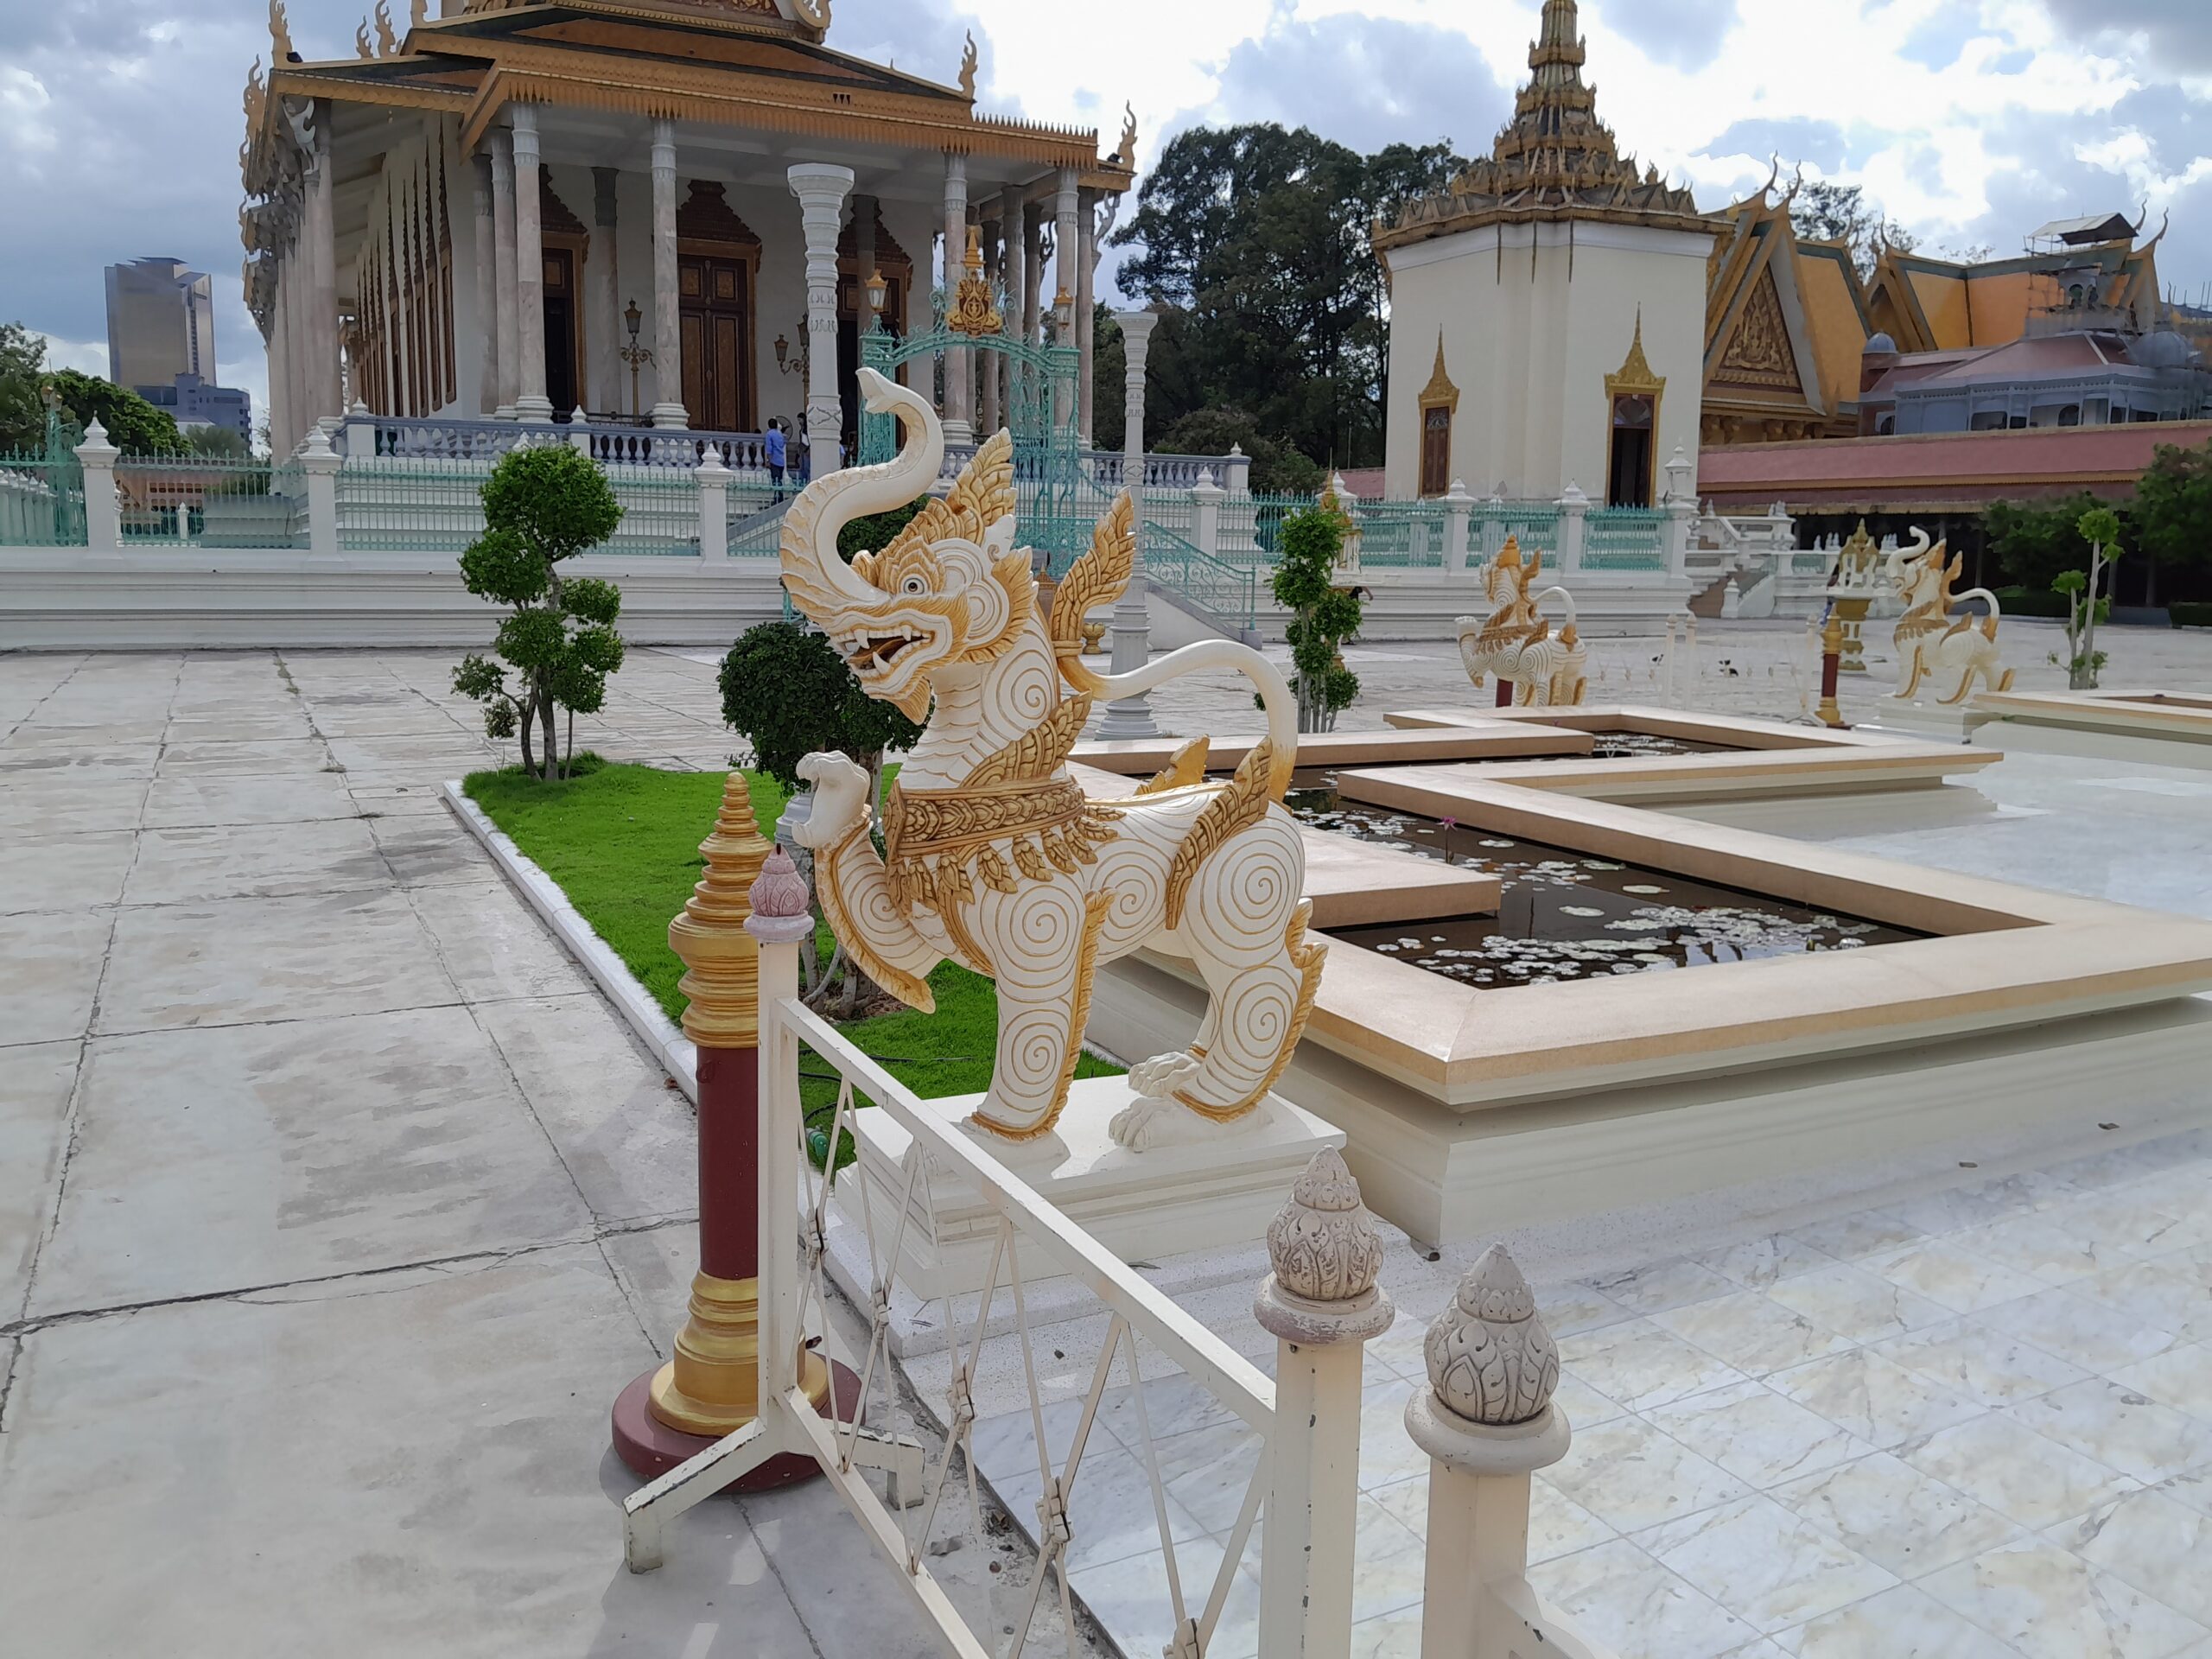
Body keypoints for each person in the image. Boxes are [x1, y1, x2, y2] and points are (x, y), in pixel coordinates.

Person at [764, 418, 786, 500]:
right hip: (781, 460)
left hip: (774, 460)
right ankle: (780, 496)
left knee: (775, 480)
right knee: (780, 480)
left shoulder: (769, 434)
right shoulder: (780, 434)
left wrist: (768, 461)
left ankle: (777, 498)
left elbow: (769, 449)